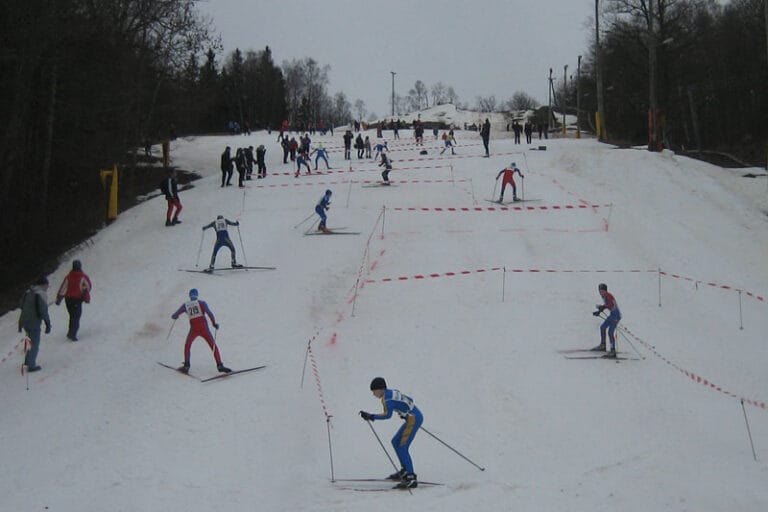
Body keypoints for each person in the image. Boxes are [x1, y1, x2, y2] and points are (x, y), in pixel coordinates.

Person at [359, 377, 423, 489]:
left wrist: (371, 416)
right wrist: (405, 412)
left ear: (381, 389)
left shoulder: (386, 399)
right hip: (413, 417)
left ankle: (411, 478)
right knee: (395, 442)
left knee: (402, 446)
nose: (373, 394)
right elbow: (409, 399)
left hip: (413, 419)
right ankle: (405, 470)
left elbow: (387, 415)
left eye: (374, 391)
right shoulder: (391, 392)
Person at [171, 288, 230, 373]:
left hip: (194, 329)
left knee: (188, 345)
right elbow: (209, 313)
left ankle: (186, 365)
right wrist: (214, 324)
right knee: (212, 345)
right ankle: (219, 365)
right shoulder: (202, 303)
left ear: (190, 296)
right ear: (197, 295)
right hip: (204, 328)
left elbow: (175, 315)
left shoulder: (186, 305)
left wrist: (175, 317)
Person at [18, 276, 52, 372]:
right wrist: (48, 323)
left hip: (24, 321)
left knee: (29, 341)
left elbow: (21, 304)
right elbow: (44, 311)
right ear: (43, 285)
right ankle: (31, 365)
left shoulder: (28, 292)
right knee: (34, 343)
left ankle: (27, 361)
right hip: (34, 322)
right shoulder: (41, 294)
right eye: (47, 285)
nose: (47, 287)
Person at [55, 260, 92, 341]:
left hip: (68, 300)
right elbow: (88, 287)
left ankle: (71, 332)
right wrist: (85, 295)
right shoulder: (83, 277)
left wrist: (59, 299)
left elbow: (63, 288)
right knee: (76, 317)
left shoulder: (68, 277)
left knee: (72, 316)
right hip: (77, 299)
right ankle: (72, 334)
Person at [593, 283, 622, 358]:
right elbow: (606, 306)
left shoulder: (608, 296)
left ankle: (613, 351)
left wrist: (603, 307)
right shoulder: (604, 296)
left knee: (610, 332)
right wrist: (599, 311)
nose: (601, 293)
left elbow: (611, 305)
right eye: (600, 291)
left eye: (602, 291)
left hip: (616, 316)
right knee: (602, 327)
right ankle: (603, 345)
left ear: (605, 291)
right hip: (612, 315)